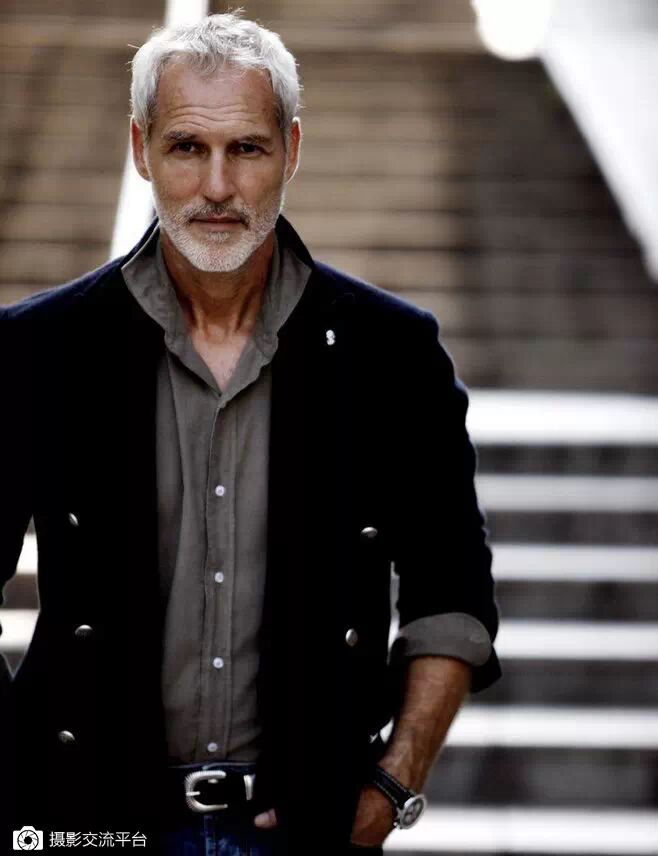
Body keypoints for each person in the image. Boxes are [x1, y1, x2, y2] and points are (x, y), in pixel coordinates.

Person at [0, 12, 501, 855]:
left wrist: (393, 784)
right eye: (186, 147)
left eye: (247, 149)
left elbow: (450, 595)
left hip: (308, 826)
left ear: (291, 151)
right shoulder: (39, 348)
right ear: (140, 150)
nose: (217, 186)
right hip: (90, 821)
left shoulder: (390, 352)